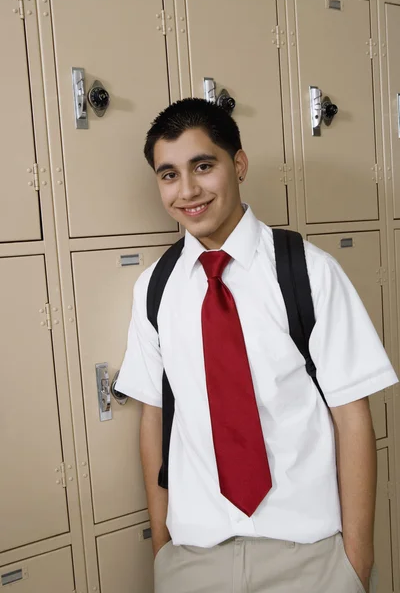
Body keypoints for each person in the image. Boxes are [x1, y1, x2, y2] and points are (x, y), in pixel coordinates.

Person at [116, 98, 398, 593]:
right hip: (194, 560)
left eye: (204, 166)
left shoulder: (308, 272)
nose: (187, 191)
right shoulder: (155, 288)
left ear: (238, 165)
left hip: (309, 558)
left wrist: (355, 563)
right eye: (169, 174)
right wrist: (164, 550)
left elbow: (352, 416)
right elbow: (155, 417)